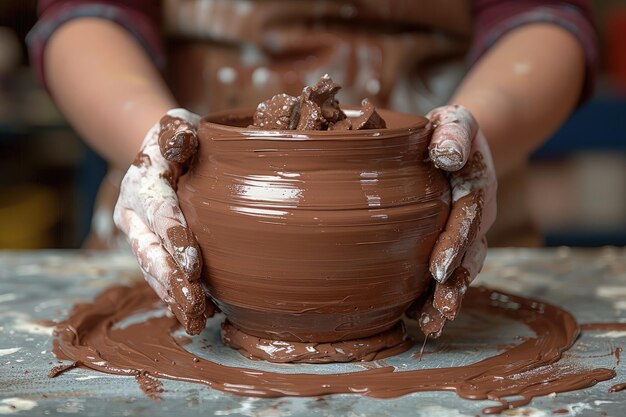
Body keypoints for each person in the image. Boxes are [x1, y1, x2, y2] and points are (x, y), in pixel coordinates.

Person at [28, 0, 596, 334]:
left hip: (447, 180)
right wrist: (157, 140)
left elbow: (542, 14)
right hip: (181, 188)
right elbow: (85, 13)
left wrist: (477, 133)